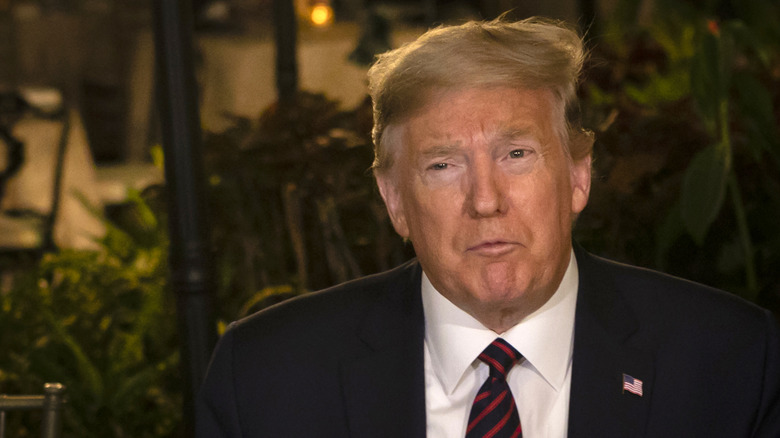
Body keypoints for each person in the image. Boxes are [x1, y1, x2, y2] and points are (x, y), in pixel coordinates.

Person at [196, 17, 780, 437]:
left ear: (578, 177)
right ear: (395, 200)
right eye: (444, 166)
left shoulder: (730, 361)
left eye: (516, 155)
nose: (485, 201)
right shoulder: (267, 379)